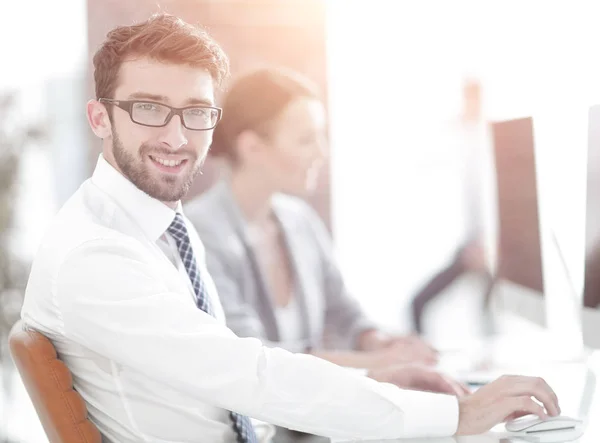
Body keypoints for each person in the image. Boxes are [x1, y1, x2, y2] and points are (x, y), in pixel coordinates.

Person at [20, 13, 560, 443]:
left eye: (196, 112)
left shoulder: (160, 227)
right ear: (98, 118)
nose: (177, 136)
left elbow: (249, 372)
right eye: (148, 109)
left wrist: (376, 379)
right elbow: (250, 373)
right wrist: (454, 413)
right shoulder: (97, 254)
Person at [184, 67, 439, 373]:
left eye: (321, 136)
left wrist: (376, 341)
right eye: (306, 139)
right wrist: (377, 365)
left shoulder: (299, 220)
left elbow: (341, 309)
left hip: (309, 413)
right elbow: (248, 352)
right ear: (252, 147)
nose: (322, 152)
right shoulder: (200, 231)